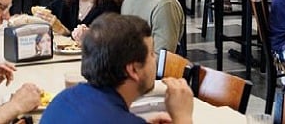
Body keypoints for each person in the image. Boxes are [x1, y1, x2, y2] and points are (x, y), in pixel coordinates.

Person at [39, 13, 194, 124]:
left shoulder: (62, 99)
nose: (155, 60)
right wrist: (182, 117)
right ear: (133, 70)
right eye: (152, 54)